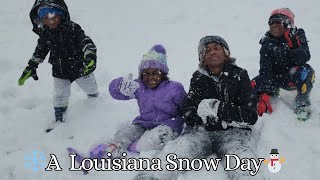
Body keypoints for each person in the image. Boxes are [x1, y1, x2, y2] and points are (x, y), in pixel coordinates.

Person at [134, 36, 263, 180]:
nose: (212, 52)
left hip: (235, 133)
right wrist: (202, 118)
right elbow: (188, 110)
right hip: (200, 132)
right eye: (207, 50)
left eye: (216, 48)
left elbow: (250, 116)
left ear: (226, 53)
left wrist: (218, 108)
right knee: (176, 154)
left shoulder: (239, 75)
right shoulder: (198, 77)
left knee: (243, 166)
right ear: (202, 58)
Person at [67, 44, 186, 163]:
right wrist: (119, 85)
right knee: (126, 133)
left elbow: (185, 108)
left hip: (168, 125)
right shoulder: (139, 86)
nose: (151, 77)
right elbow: (115, 93)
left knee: (158, 136)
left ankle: (135, 147)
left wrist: (183, 124)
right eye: (146, 73)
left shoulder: (174, 88)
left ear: (163, 73)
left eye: (155, 73)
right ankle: (104, 153)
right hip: (144, 123)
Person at [18, 0, 99, 123]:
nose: (51, 21)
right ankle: (59, 115)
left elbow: (85, 41)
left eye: (54, 16)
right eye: (46, 18)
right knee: (59, 95)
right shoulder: (45, 33)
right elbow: (40, 50)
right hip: (59, 70)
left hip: (81, 67)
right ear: (40, 19)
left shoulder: (73, 28)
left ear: (61, 14)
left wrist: (89, 54)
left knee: (91, 87)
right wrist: (32, 66)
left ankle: (95, 99)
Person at [251, 8, 315, 120]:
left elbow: (305, 57)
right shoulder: (267, 42)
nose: (274, 25)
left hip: (292, 78)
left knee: (307, 70)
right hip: (274, 79)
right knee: (252, 84)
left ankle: (302, 102)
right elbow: (265, 68)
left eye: (278, 22)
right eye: (271, 23)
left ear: (288, 24)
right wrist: (264, 93)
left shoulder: (298, 35)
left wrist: (293, 47)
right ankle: (269, 93)